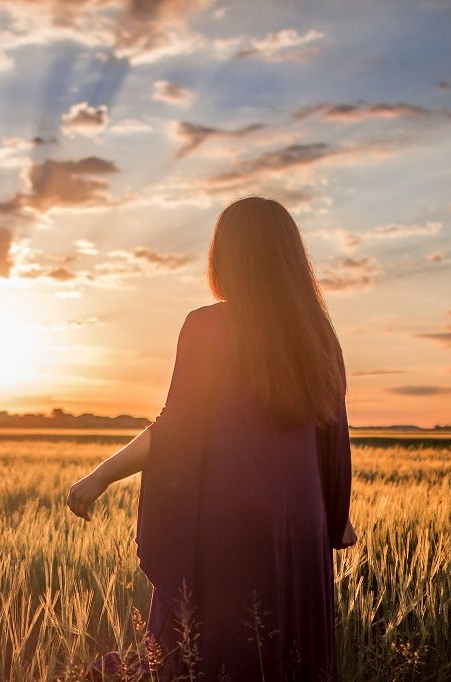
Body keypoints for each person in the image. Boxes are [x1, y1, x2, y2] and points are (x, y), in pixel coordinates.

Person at [66, 196, 356, 681]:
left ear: (226, 256)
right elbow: (334, 438)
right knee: (289, 658)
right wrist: (333, 516)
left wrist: (100, 476)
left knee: (216, 653)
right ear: (290, 258)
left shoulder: (207, 326)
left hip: (229, 525)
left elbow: (174, 429)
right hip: (301, 527)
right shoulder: (318, 334)